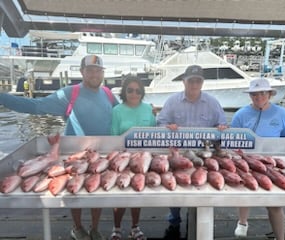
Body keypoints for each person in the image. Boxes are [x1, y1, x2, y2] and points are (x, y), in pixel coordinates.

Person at [0, 54, 118, 240]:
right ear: (82, 72)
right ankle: (77, 228)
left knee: (98, 190)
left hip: (101, 153)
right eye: (90, 70)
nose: (94, 74)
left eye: (98, 70)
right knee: (73, 190)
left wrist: (148, 113)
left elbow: (123, 113)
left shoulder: (108, 94)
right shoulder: (70, 93)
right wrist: (2, 98)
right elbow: (36, 106)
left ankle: (95, 228)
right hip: (74, 154)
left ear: (102, 73)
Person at [231, 78, 285, 240]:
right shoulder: (240, 114)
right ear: (250, 96)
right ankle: (242, 222)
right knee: (245, 192)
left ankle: (279, 236)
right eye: (254, 93)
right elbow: (232, 138)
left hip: (273, 161)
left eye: (262, 93)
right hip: (246, 160)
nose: (258, 96)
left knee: (275, 202)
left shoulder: (281, 113)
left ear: (269, 94)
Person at [156, 64, 228, 239]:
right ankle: (174, 220)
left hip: (204, 153)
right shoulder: (172, 101)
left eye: (198, 81)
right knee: (176, 186)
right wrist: (167, 126)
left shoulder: (212, 102)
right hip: (178, 152)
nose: (194, 84)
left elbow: (223, 125)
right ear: (184, 82)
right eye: (191, 81)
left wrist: (221, 127)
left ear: (202, 83)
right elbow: (159, 123)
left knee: (200, 185)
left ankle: (196, 218)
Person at [110, 75, 156, 240]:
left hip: (142, 157)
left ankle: (135, 227)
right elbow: (113, 137)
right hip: (123, 157)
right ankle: (116, 228)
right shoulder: (117, 111)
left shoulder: (149, 110)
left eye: (137, 90)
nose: (134, 93)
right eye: (130, 90)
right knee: (120, 194)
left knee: (137, 191)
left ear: (142, 92)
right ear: (124, 92)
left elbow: (154, 133)